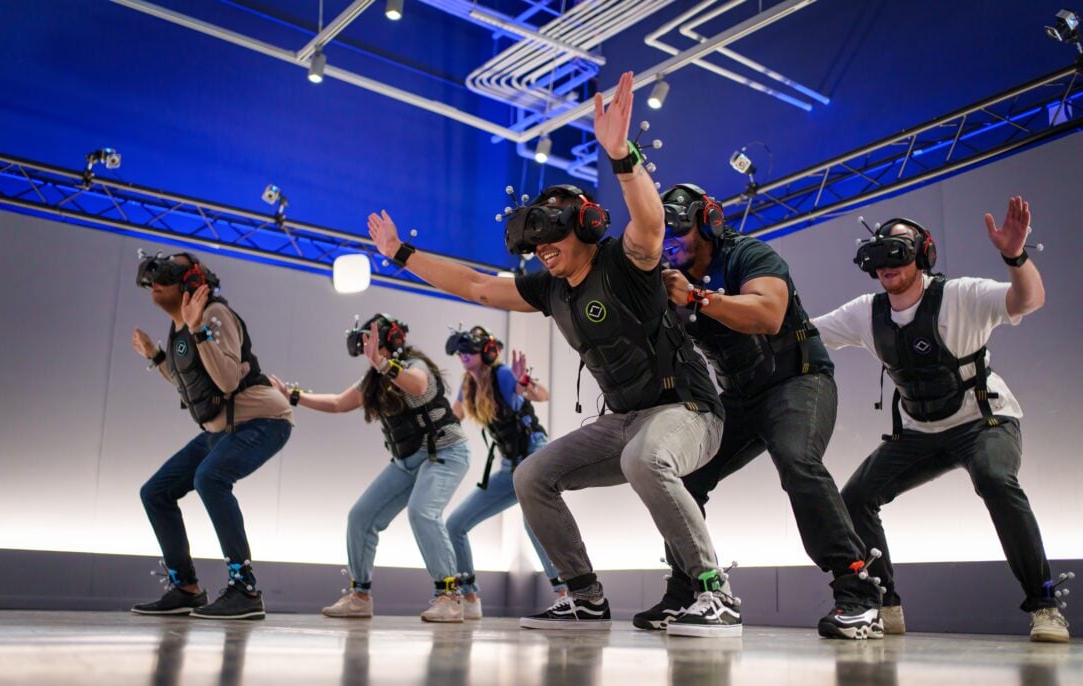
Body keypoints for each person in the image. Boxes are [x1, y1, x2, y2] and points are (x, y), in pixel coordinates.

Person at [367, 71, 738, 637]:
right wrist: (401, 253)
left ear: (585, 226)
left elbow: (651, 222)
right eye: (534, 242)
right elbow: (476, 286)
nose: (542, 250)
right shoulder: (550, 287)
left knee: (644, 460)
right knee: (533, 474)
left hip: (688, 410)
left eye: (551, 237)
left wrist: (621, 155)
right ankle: (584, 596)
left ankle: (715, 592)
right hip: (624, 420)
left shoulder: (624, 262)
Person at [813, 196, 1070, 642]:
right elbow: (805, 331)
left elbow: (1029, 300)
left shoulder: (961, 295)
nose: (887, 265)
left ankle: (1044, 605)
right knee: (855, 498)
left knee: (994, 478)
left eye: (898, 253)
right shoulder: (866, 313)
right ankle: (885, 603)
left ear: (923, 255)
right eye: (879, 256)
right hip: (921, 432)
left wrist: (1015, 256)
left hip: (983, 421)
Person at [636, 183, 883, 640]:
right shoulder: (668, 277)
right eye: (663, 234)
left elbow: (768, 315)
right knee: (683, 478)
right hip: (738, 397)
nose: (670, 242)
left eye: (679, 231)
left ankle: (858, 591)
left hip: (798, 380)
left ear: (708, 223)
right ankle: (688, 589)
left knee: (797, 461)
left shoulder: (749, 255)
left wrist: (696, 298)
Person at [270, 314, 471, 623]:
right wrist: (293, 396)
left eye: (372, 342)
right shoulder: (376, 378)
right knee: (361, 517)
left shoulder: (415, 365)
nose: (367, 349)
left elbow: (418, 385)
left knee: (422, 512)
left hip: (444, 452)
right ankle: (359, 597)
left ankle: (450, 596)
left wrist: (382, 364)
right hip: (406, 462)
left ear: (390, 340)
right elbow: (338, 403)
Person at [130, 250, 293, 620]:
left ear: (191, 283)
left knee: (210, 477)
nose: (155, 284)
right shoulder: (180, 329)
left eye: (166, 276)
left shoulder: (215, 315)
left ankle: (245, 589)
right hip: (221, 429)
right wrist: (156, 356)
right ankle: (186, 588)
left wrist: (198, 330)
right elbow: (190, 384)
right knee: (155, 492)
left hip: (264, 419)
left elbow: (228, 380)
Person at [443, 326, 564, 619]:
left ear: (487, 352)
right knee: (455, 525)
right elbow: (451, 419)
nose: (463, 355)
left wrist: (524, 382)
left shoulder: (504, 374)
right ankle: (469, 596)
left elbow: (542, 395)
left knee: (532, 522)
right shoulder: (468, 385)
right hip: (509, 467)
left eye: (469, 350)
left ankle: (567, 593)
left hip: (534, 456)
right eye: (460, 351)